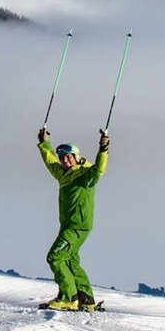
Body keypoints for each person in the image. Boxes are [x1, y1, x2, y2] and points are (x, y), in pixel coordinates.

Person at [37, 126, 110, 311]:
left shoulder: (85, 174)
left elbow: (99, 170)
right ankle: (86, 299)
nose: (65, 160)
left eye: (68, 156)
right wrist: (44, 143)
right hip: (68, 225)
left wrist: (103, 149)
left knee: (55, 257)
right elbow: (50, 161)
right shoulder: (63, 174)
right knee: (70, 260)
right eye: (62, 157)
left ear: (77, 156)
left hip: (77, 225)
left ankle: (69, 297)